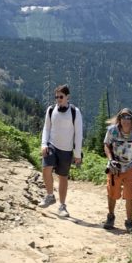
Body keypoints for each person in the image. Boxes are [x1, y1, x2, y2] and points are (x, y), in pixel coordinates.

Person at [38, 84, 83, 218]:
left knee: (63, 177)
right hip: (51, 145)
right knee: (46, 169)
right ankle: (50, 195)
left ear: (67, 97)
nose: (58, 99)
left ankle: (62, 206)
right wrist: (43, 144)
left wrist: (77, 153)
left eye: (61, 97)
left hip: (67, 150)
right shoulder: (51, 110)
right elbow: (46, 128)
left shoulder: (75, 112)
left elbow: (78, 133)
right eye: (56, 97)